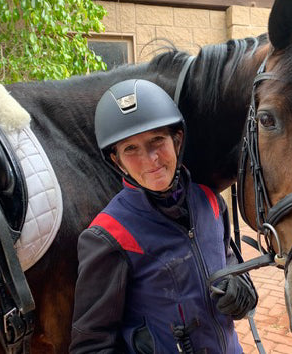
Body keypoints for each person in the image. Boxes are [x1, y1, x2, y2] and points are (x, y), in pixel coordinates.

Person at [70, 79, 258, 354]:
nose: (149, 159)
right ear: (117, 161)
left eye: (156, 140)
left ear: (177, 140)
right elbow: (90, 346)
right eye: (130, 149)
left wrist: (242, 291)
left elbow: (231, 265)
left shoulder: (211, 202)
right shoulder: (110, 235)